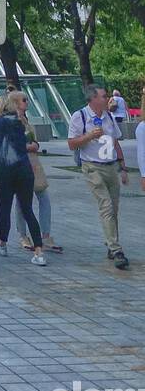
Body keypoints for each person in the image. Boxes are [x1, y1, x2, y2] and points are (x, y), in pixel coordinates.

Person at [67, 84, 130, 270]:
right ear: (93, 99)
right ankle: (116, 249)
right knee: (106, 206)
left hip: (110, 166)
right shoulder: (80, 116)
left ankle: (111, 244)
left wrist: (123, 167)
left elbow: (115, 141)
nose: (107, 99)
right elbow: (71, 144)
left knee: (114, 208)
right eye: (103, 96)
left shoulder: (108, 116)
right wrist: (87, 136)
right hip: (92, 166)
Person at [0, 92, 46, 265]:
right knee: (28, 209)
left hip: (6, 171)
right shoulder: (18, 123)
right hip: (24, 170)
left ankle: (2, 243)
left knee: (5, 208)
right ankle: (39, 251)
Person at [12, 92, 61, 253]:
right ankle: (23, 235)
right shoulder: (12, 121)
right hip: (21, 163)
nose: (27, 103)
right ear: (15, 103)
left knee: (43, 197)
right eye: (24, 100)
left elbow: (34, 140)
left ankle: (46, 235)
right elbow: (12, 144)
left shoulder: (25, 119)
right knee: (22, 201)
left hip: (34, 163)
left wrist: (34, 145)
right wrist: (29, 147)